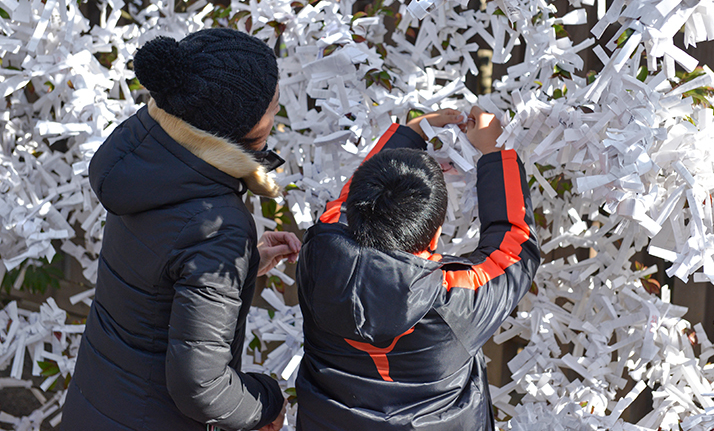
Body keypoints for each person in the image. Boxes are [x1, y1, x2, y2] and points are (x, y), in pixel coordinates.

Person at [61, 28, 299, 431]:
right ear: (240, 124)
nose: (278, 109)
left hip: (96, 402)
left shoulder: (145, 159)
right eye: (272, 105)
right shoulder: (218, 223)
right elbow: (199, 386)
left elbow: (155, 268)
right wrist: (268, 402)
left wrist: (239, 265)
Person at [295, 106, 541, 430]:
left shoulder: (317, 257)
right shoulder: (455, 301)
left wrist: (411, 133)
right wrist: (496, 152)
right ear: (437, 233)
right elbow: (515, 245)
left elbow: (342, 211)